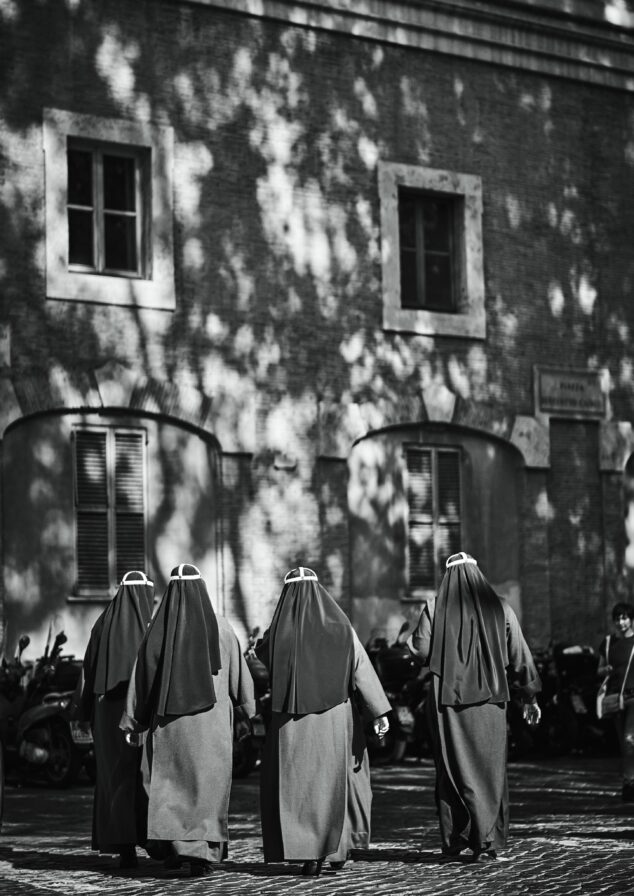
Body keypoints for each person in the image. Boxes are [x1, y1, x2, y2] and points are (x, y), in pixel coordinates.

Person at [120, 563, 255, 877]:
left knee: (173, 787)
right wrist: (249, 710)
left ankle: (180, 848)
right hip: (213, 726)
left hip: (170, 726)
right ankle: (201, 852)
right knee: (207, 786)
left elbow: (142, 678)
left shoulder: (157, 629)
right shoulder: (222, 627)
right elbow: (239, 675)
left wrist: (133, 720)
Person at [257, 566, 391, 877]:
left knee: (299, 787)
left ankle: (308, 853)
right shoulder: (342, 628)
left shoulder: (278, 633)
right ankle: (337, 849)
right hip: (334, 718)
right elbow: (361, 667)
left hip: (289, 721)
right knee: (333, 783)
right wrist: (378, 711)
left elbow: (262, 659)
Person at [408, 551, 541, 862]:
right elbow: (520, 655)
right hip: (491, 700)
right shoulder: (501, 607)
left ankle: (456, 840)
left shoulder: (434, 607)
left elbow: (420, 648)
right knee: (491, 769)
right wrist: (529, 697)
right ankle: (491, 841)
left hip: (448, 703)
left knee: (451, 769)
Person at [71, 570, 155, 869]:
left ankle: (123, 848)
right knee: (141, 777)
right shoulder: (150, 626)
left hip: (105, 715)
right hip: (137, 714)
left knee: (114, 779)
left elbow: (87, 670)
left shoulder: (101, 624)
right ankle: (151, 841)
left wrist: (81, 713)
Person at [597, 602, 634, 801]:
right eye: (618, 618)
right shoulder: (609, 642)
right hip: (614, 697)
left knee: (630, 740)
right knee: (623, 743)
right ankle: (629, 781)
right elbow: (599, 668)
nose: (621, 622)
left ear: (631, 619)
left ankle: (629, 781)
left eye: (625, 618)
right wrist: (605, 671)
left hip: (633, 697)